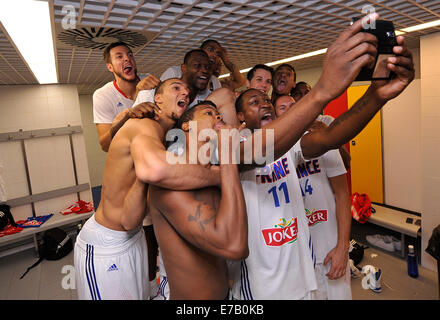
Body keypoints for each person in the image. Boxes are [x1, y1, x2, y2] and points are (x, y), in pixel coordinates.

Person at [230, 13, 415, 299]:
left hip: (302, 276)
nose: (264, 104)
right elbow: (259, 151)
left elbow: (330, 138)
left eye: (266, 100)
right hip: (261, 285)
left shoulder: (290, 143)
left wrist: (376, 96)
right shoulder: (233, 144)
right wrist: (322, 91)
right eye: (255, 101)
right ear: (239, 116)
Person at [75, 78, 221, 300]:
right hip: (106, 243)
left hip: (133, 236)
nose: (185, 93)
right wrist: (219, 177)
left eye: (187, 92)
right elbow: (153, 170)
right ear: (158, 99)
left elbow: (132, 219)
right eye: (176, 88)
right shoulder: (145, 125)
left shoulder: (164, 139)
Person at [149, 101, 248, 300]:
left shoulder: (217, 175)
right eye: (209, 113)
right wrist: (228, 154)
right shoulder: (170, 183)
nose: (218, 117)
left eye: (219, 114)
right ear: (186, 126)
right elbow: (235, 247)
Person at [92, 41, 161, 297]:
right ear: (110, 66)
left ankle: (164, 281)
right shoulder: (103, 95)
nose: (127, 59)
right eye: (119, 56)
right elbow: (104, 144)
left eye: (129, 54)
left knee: (163, 230)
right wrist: (130, 112)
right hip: (129, 178)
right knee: (142, 234)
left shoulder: (153, 88)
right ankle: (149, 287)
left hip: (158, 169)